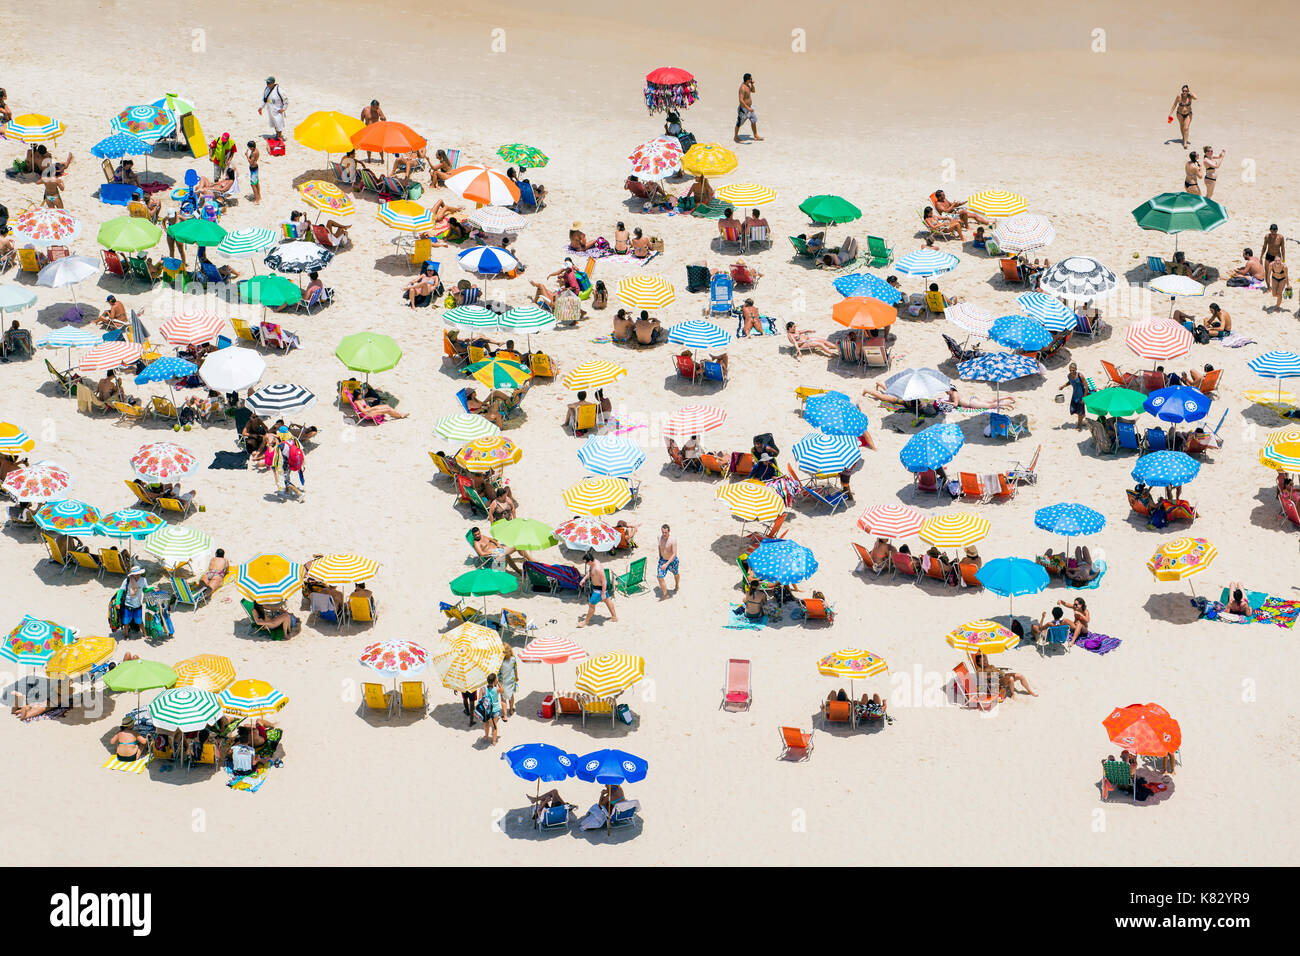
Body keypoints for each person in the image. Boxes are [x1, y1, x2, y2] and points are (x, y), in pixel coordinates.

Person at [577, 550, 617, 627]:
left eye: (586, 562)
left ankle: (585, 622)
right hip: (597, 588)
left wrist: (603, 593)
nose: (586, 564)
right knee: (607, 601)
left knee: (591, 604)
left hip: (600, 589)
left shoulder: (598, 568)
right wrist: (584, 579)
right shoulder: (593, 563)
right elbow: (590, 572)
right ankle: (614, 617)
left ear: (590, 561)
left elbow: (604, 581)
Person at [972, 652, 1037, 698]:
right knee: (1011, 679)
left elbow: (985, 654)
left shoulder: (988, 665)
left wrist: (996, 670)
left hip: (1002, 675)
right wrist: (994, 675)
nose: (985, 661)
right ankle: (1013, 694)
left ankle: (1030, 691)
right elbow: (981, 677)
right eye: (983, 661)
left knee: (1020, 676)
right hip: (997, 681)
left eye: (986, 660)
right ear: (979, 663)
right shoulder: (980, 669)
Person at [734, 73, 762, 142]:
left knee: (753, 120)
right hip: (743, 109)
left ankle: (755, 135)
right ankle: (736, 137)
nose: (751, 80)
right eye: (751, 79)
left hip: (750, 108)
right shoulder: (742, 88)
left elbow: (753, 91)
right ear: (748, 79)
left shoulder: (748, 86)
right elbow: (741, 100)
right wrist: (748, 108)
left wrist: (752, 84)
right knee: (739, 123)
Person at [1060, 363, 1088, 430]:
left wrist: (1084, 398)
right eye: (1070, 370)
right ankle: (1083, 419)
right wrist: (1063, 386)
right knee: (1074, 410)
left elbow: (1086, 386)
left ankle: (1079, 426)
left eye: (1073, 370)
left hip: (1081, 396)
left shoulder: (1080, 376)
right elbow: (1070, 382)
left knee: (1080, 413)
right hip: (1074, 395)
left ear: (1076, 369)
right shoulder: (1069, 376)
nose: (1072, 372)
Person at [121, 566, 148, 636]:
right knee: (126, 622)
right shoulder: (127, 580)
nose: (138, 575)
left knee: (139, 621)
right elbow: (121, 591)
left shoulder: (143, 580)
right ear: (132, 574)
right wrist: (118, 602)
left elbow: (145, 590)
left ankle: (145, 634)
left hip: (137, 605)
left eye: (139, 574)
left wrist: (152, 588)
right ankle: (126, 635)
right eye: (136, 574)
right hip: (127, 605)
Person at [656, 524, 679, 600]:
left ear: (669, 531)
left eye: (666, 532)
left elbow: (674, 554)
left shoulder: (673, 540)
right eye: (663, 532)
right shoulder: (659, 537)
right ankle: (665, 595)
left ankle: (677, 585)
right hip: (663, 560)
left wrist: (667, 564)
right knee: (659, 577)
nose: (664, 534)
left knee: (675, 573)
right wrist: (660, 557)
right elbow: (659, 546)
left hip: (672, 561)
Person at [1169, 84, 1195, 148]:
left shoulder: (1190, 96)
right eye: (1183, 91)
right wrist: (1170, 113)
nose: (1184, 92)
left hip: (1188, 114)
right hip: (1179, 113)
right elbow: (1174, 104)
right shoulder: (1179, 96)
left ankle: (1185, 143)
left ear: (1188, 91)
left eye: (1186, 91)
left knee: (1186, 128)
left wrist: (1190, 91)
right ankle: (1184, 137)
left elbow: (1196, 97)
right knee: (1181, 125)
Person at [497, 646, 518, 720]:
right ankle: (511, 710)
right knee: (511, 695)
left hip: (502, 681)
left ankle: (505, 715)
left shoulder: (500, 661)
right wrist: (517, 677)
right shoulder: (513, 659)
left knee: (503, 699)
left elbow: (498, 672)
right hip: (511, 680)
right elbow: (515, 669)